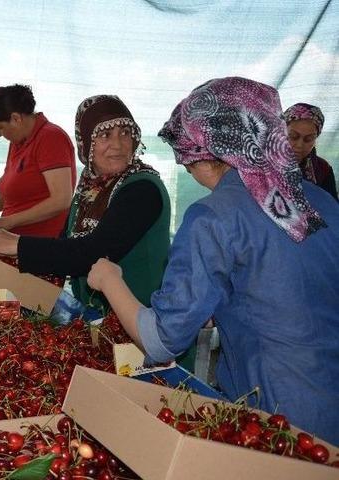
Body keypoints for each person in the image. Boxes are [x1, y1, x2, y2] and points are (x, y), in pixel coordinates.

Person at [87, 77, 339, 444]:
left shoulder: (214, 216)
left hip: (279, 417)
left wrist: (109, 279)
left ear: (206, 153)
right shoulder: (323, 201)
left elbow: (161, 341)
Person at [0, 95, 170, 314]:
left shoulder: (142, 189)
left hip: (141, 325)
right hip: (101, 317)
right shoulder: (91, 187)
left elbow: (95, 252)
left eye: (125, 133)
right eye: (106, 135)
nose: (117, 145)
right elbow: (67, 240)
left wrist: (19, 245)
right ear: (86, 142)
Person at [0, 84, 76, 237]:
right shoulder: (18, 141)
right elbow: (12, 190)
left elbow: (61, 200)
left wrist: (10, 221)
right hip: (12, 239)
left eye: (0, 127)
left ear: (16, 118)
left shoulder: (51, 138)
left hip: (39, 243)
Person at [282, 102, 337, 200]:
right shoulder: (263, 163)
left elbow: (331, 207)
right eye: (293, 137)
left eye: (308, 139)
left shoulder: (323, 169)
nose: (300, 145)